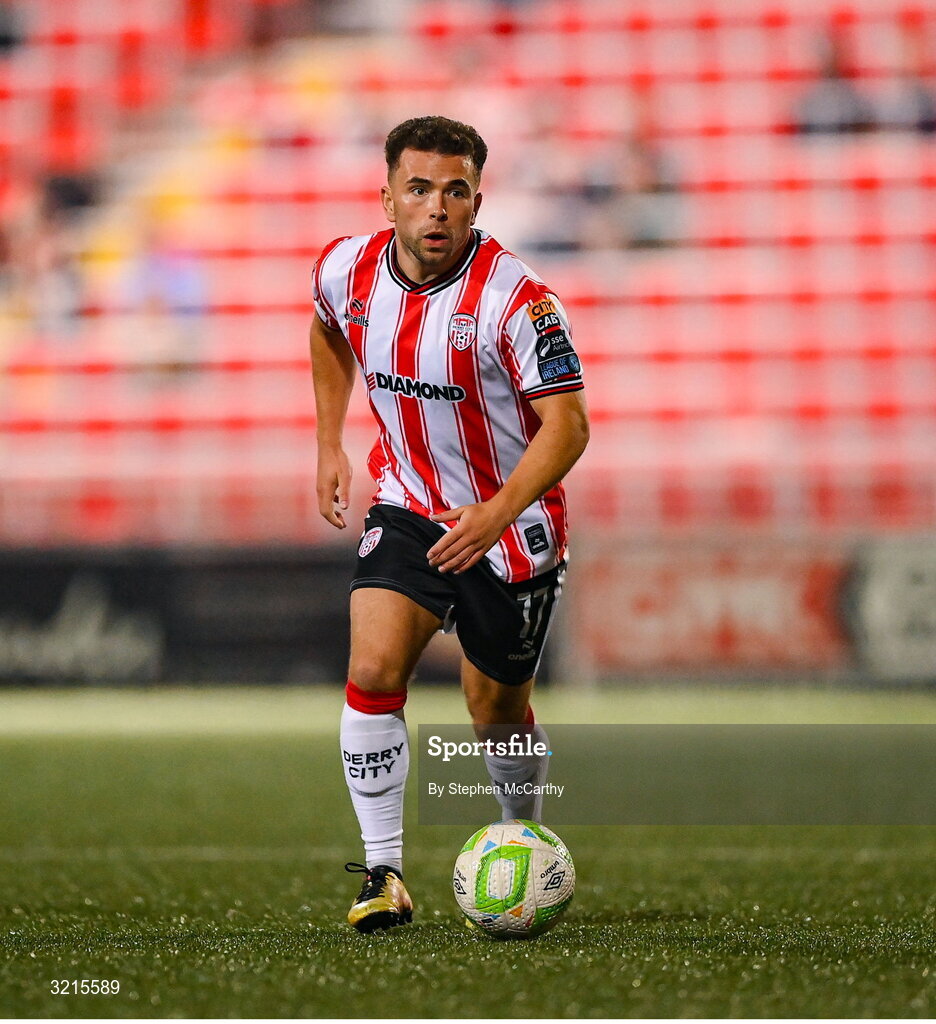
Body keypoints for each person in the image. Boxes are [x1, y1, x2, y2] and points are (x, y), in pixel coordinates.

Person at [309, 115, 589, 933]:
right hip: (406, 502)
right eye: (420, 189)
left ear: (477, 199)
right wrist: (330, 440)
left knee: (493, 708)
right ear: (388, 195)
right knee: (373, 666)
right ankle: (383, 872)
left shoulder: (520, 301)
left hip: (513, 527)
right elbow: (327, 329)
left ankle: (518, 831)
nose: (437, 207)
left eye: (455, 191)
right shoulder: (344, 269)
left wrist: (498, 511)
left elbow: (569, 427)